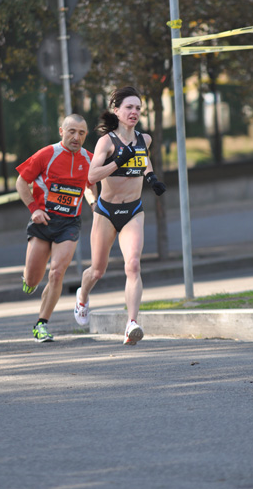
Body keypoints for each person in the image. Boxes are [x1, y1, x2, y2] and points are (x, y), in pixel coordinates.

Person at [74, 86, 166, 345]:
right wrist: (117, 161)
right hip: (106, 212)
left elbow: (143, 158)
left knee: (133, 265)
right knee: (97, 271)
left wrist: (151, 177)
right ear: (117, 111)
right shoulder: (107, 142)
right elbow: (91, 177)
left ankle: (132, 323)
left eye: (138, 108)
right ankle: (82, 297)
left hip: (134, 210)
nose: (134, 112)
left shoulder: (144, 139)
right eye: (129, 107)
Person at [16, 114, 97, 343]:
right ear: (61, 131)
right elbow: (21, 182)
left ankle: (41, 324)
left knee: (57, 273)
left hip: (69, 224)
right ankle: (28, 278)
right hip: (43, 221)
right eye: (71, 131)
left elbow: (90, 186)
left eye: (81, 133)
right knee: (33, 280)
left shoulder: (89, 159)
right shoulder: (47, 154)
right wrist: (34, 209)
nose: (76, 137)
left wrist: (93, 203)